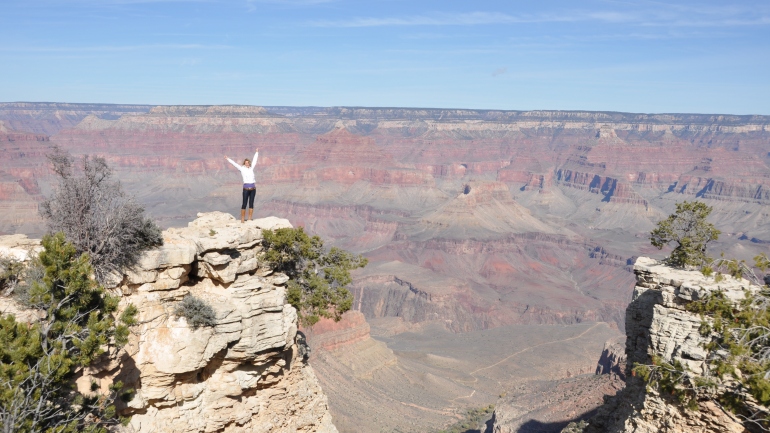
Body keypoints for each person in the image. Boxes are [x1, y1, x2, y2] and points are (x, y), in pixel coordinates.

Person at [225, 148, 259, 223]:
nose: (247, 164)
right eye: (246, 163)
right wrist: (228, 159)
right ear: (244, 163)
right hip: (246, 189)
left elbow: (255, 161)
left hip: (253, 188)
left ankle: (250, 218)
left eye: (248, 163)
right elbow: (234, 164)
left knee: (251, 203)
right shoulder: (241, 169)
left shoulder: (251, 168)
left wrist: (256, 152)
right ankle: (242, 219)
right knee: (244, 203)